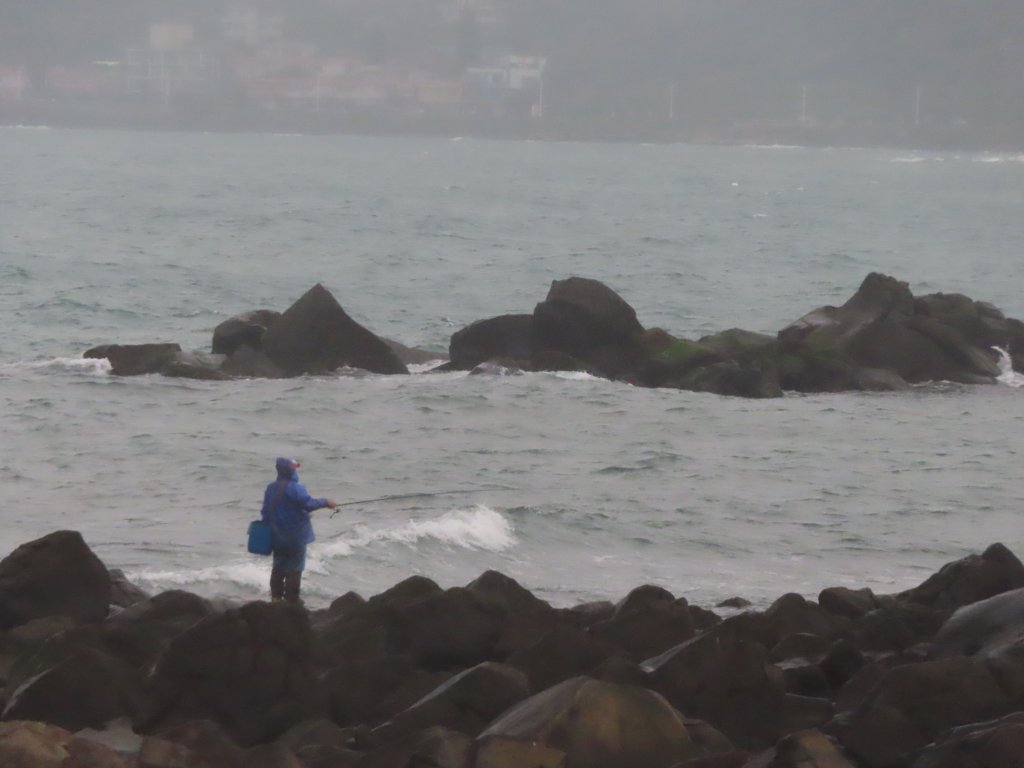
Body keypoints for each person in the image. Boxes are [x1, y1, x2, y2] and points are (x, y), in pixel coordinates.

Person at [261, 457, 336, 604]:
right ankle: (291, 601)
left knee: (278, 567)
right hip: (295, 537)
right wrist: (326, 502)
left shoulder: (271, 488)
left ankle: (276, 599)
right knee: (294, 569)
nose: (295, 470)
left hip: (276, 536)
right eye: (294, 467)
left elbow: (266, 511)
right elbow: (308, 503)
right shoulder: (296, 488)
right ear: (290, 470)